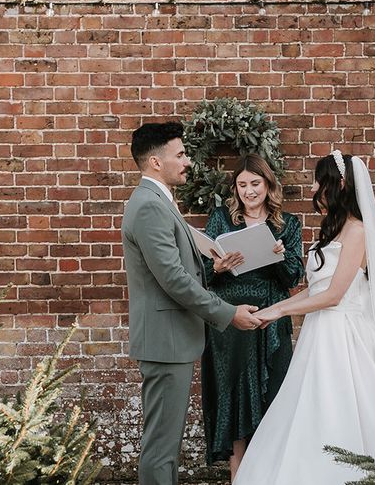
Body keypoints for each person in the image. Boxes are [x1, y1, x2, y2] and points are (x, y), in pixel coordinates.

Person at [233, 150, 375, 484]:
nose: (316, 189)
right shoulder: (332, 230)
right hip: (319, 333)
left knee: (344, 407)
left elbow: (334, 296)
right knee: (310, 409)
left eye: (320, 181)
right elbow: (316, 289)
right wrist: (276, 310)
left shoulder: (358, 232)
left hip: (344, 335)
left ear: (340, 184)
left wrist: (279, 310)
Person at [121, 122, 261, 485]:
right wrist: (228, 313)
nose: (188, 162)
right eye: (180, 154)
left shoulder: (158, 201)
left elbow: (174, 270)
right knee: (161, 446)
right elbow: (172, 280)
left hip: (172, 340)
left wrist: (211, 266)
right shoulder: (150, 207)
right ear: (155, 162)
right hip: (165, 342)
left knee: (167, 442)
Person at [200, 154, 304, 480]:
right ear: (235, 188)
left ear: (268, 184)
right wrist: (216, 267)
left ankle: (272, 477)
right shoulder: (221, 219)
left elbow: (293, 279)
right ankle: (239, 478)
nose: (249, 191)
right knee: (236, 405)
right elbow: (201, 273)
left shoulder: (288, 224)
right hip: (230, 326)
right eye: (242, 184)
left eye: (255, 183)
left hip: (270, 323)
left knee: (274, 398)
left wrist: (276, 255)